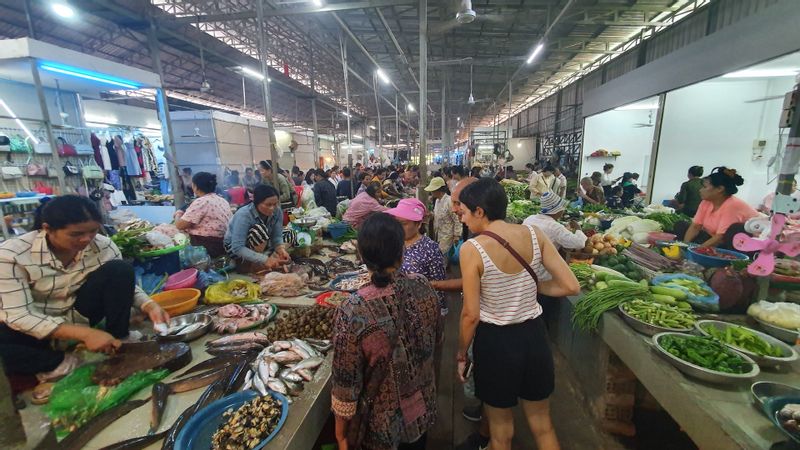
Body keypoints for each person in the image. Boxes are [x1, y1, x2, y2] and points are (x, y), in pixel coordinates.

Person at [457, 178, 580, 450]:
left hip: (496, 343)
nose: (463, 219)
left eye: (464, 212)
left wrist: (461, 353)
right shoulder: (535, 234)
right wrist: (535, 285)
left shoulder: (472, 249)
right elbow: (571, 285)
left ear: (480, 211)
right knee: (543, 425)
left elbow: (470, 315)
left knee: (501, 433)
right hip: (535, 337)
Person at [0, 196, 169, 380]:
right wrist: (86, 334)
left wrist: (149, 305)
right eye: (76, 234)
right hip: (31, 329)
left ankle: (119, 338)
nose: (86, 239)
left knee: (119, 270)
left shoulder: (102, 245)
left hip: (78, 313)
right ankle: (57, 361)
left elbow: (125, 284)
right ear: (47, 228)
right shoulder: (12, 255)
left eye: (93, 231)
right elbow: (19, 315)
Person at [332, 213, 441, 450]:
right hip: (421, 408)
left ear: (361, 255)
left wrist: (341, 434)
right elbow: (437, 336)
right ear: (402, 252)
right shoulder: (423, 285)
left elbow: (345, 381)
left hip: (380, 424)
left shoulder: (354, 309)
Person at [674, 166, 760, 249]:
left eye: (705, 187)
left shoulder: (732, 205)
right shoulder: (706, 202)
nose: (700, 190)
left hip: (742, 244)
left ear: (720, 189)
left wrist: (697, 250)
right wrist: (685, 246)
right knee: (681, 225)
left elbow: (721, 237)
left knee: (733, 232)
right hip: (716, 238)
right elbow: (695, 226)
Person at [386, 198, 447, 310]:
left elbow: (439, 285)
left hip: (422, 309)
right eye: (396, 223)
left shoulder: (430, 248)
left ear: (418, 224)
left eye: (403, 224)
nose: (398, 228)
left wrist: (439, 311)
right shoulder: (394, 242)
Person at [224, 184, 291, 273]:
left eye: (275, 204)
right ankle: (249, 263)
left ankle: (262, 257)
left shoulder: (277, 211)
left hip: (260, 244)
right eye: (268, 204)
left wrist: (281, 250)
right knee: (259, 230)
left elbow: (277, 236)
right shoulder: (244, 215)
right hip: (234, 248)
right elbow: (237, 247)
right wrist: (264, 259)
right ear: (257, 203)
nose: (272, 208)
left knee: (290, 233)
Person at [175, 172, 233, 258]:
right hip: (224, 243)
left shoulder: (201, 201)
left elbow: (180, 225)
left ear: (195, 186)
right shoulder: (222, 200)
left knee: (175, 235)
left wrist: (178, 213)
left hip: (208, 246)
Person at [426, 177, 461, 256]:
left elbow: (456, 219)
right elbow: (437, 215)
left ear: (438, 190)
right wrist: (431, 215)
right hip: (439, 234)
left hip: (448, 235)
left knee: (443, 256)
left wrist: (456, 235)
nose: (431, 192)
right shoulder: (437, 201)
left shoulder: (449, 201)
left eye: (433, 190)